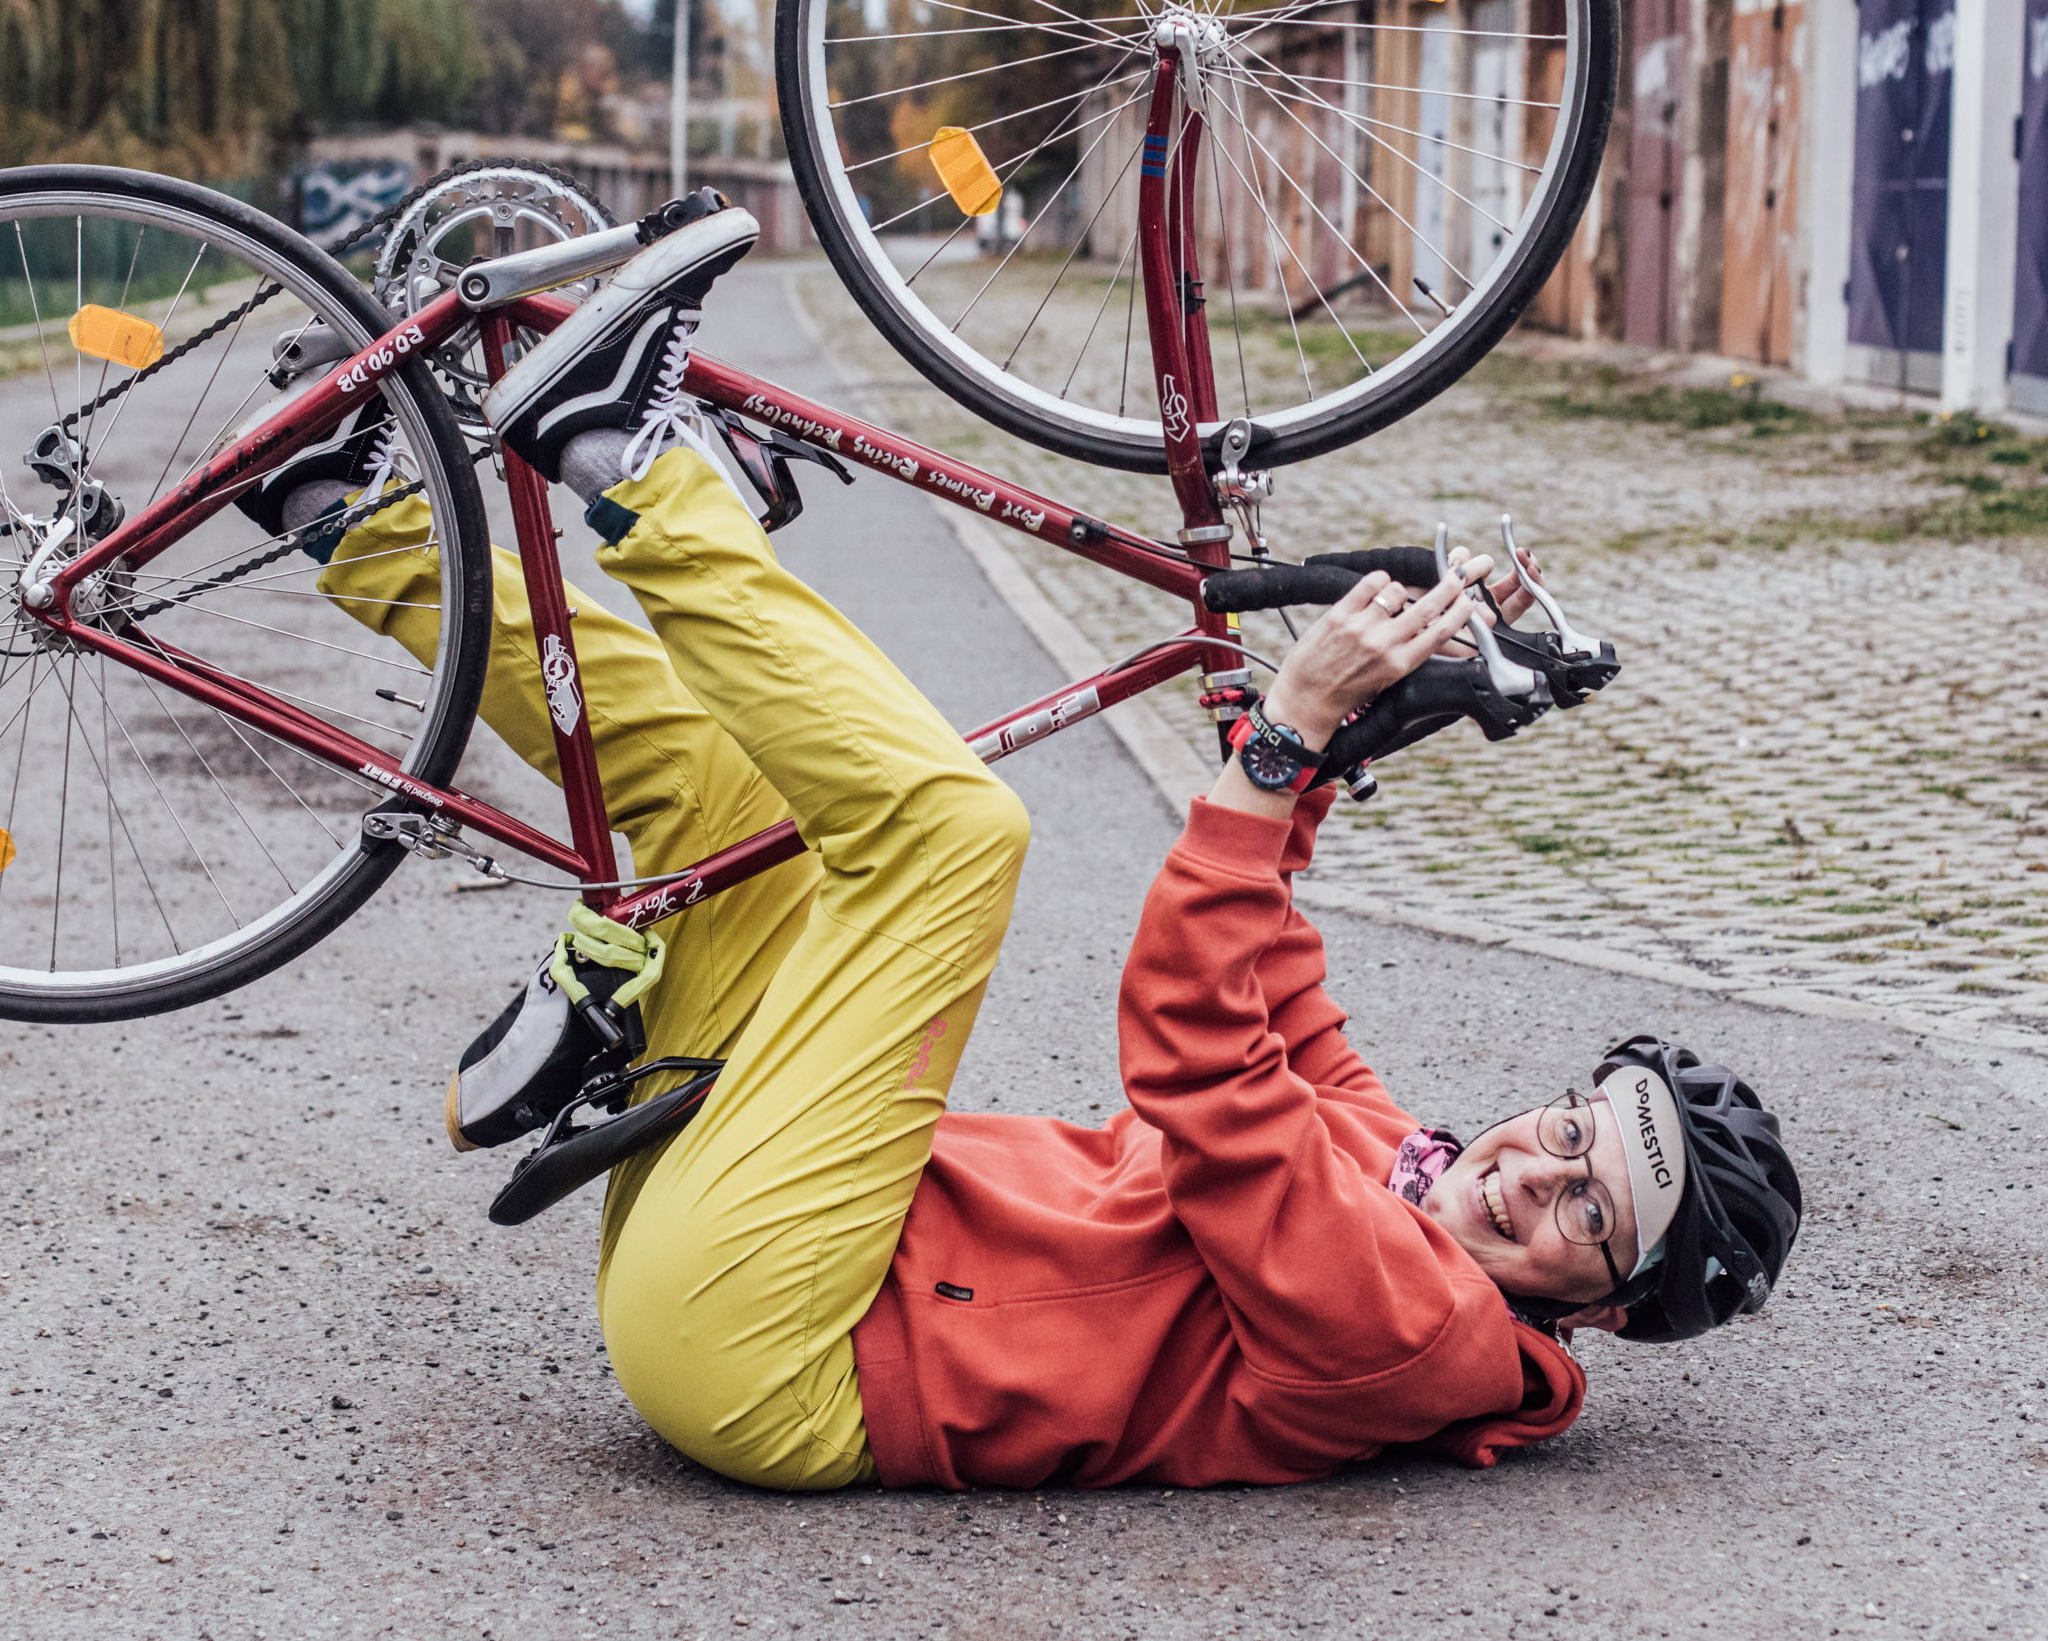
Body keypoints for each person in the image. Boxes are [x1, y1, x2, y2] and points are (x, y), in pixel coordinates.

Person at [245, 196, 1803, 1491]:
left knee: (949, 831)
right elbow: (1275, 994)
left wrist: (1278, 743)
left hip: (779, 1343)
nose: (1531, 1173)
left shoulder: (1426, 1333)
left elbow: (1201, 1060)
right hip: (766, 1226)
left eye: (1587, 1213)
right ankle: (355, 516)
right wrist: (1339, 747)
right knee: (737, 809)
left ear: (1605, 1310)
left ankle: (631, 460)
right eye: (1569, 1129)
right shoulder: (1408, 1175)